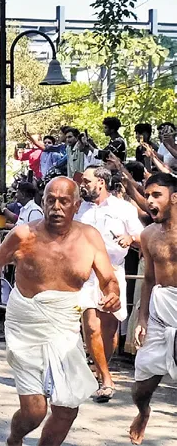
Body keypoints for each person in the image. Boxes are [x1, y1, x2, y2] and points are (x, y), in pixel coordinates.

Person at [0, 177, 120, 446]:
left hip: (65, 325)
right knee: (35, 411)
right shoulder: (24, 234)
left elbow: (108, 278)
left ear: (76, 205)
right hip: (26, 322)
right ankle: (15, 438)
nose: (56, 207)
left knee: (68, 407)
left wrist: (112, 293)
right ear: (43, 202)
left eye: (64, 201)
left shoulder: (90, 238)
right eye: (50, 201)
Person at [75, 166, 143, 403]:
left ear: (101, 182)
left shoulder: (123, 208)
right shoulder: (79, 208)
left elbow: (141, 236)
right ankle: (105, 378)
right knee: (91, 327)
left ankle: (101, 367)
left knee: (109, 333)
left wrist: (131, 238)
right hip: (86, 275)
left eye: (86, 180)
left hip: (113, 273)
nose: (82, 185)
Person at [129, 173, 177, 444]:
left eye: (156, 195)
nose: (149, 200)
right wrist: (142, 319)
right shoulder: (147, 234)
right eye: (147, 195)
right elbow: (148, 279)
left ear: (174, 197)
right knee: (140, 388)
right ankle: (143, 412)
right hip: (160, 310)